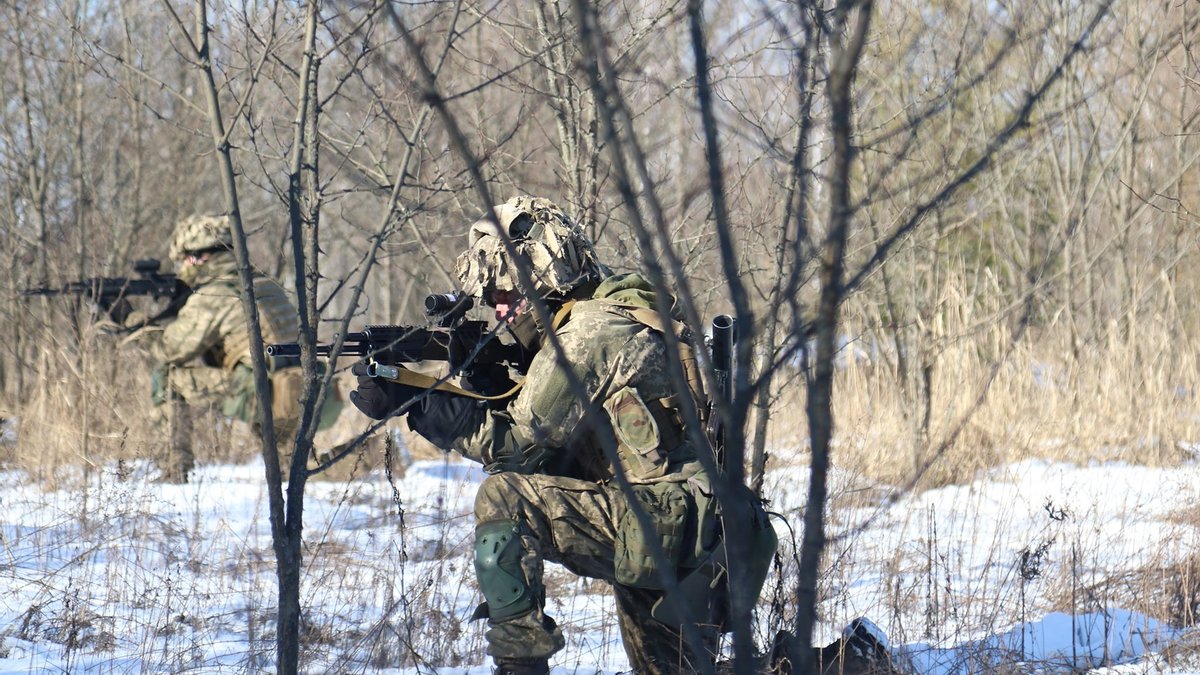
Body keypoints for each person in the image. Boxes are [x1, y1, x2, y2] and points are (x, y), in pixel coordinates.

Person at [349, 197, 778, 674]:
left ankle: (521, 663)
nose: (499, 309)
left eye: (507, 293)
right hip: (694, 529)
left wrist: (419, 403)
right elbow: (555, 455)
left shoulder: (590, 332)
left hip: (671, 526)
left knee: (505, 499)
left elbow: (516, 448)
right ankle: (849, 662)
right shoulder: (616, 312)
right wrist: (488, 384)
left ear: (544, 279)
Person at [127, 214, 341, 482]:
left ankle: (175, 470)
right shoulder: (264, 283)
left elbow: (169, 350)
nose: (182, 268)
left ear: (198, 257)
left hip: (263, 390)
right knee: (296, 470)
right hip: (305, 385)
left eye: (183, 260)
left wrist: (133, 322)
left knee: (167, 378)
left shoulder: (213, 294)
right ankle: (374, 455)